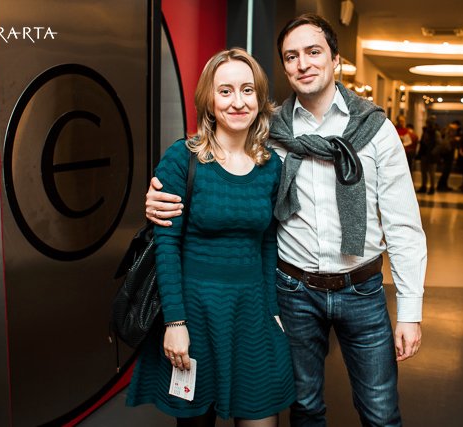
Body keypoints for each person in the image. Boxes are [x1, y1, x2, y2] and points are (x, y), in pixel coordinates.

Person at [146, 14, 426, 427]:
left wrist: (410, 310)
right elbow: (214, 188)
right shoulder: (270, 135)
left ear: (336, 59)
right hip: (293, 291)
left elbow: (403, 225)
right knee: (305, 407)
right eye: (292, 56)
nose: (303, 63)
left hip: (361, 289)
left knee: (381, 413)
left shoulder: (375, 129)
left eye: (314, 52)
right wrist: (155, 201)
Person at [127, 48, 295, 427]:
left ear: (259, 98)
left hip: (252, 313)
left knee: (261, 413)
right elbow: (167, 246)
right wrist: (175, 324)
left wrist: (272, 310)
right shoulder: (182, 158)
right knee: (196, 419)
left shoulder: (271, 165)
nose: (238, 102)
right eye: (225, 91)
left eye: (247, 90)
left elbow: (267, 242)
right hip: (196, 312)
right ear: (209, 99)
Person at [416, 115, 441, 194]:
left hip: (432, 156)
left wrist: (433, 152)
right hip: (424, 154)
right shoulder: (425, 131)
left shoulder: (436, 132)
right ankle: (424, 186)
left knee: (431, 173)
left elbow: (439, 144)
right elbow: (422, 142)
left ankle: (432, 187)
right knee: (423, 172)